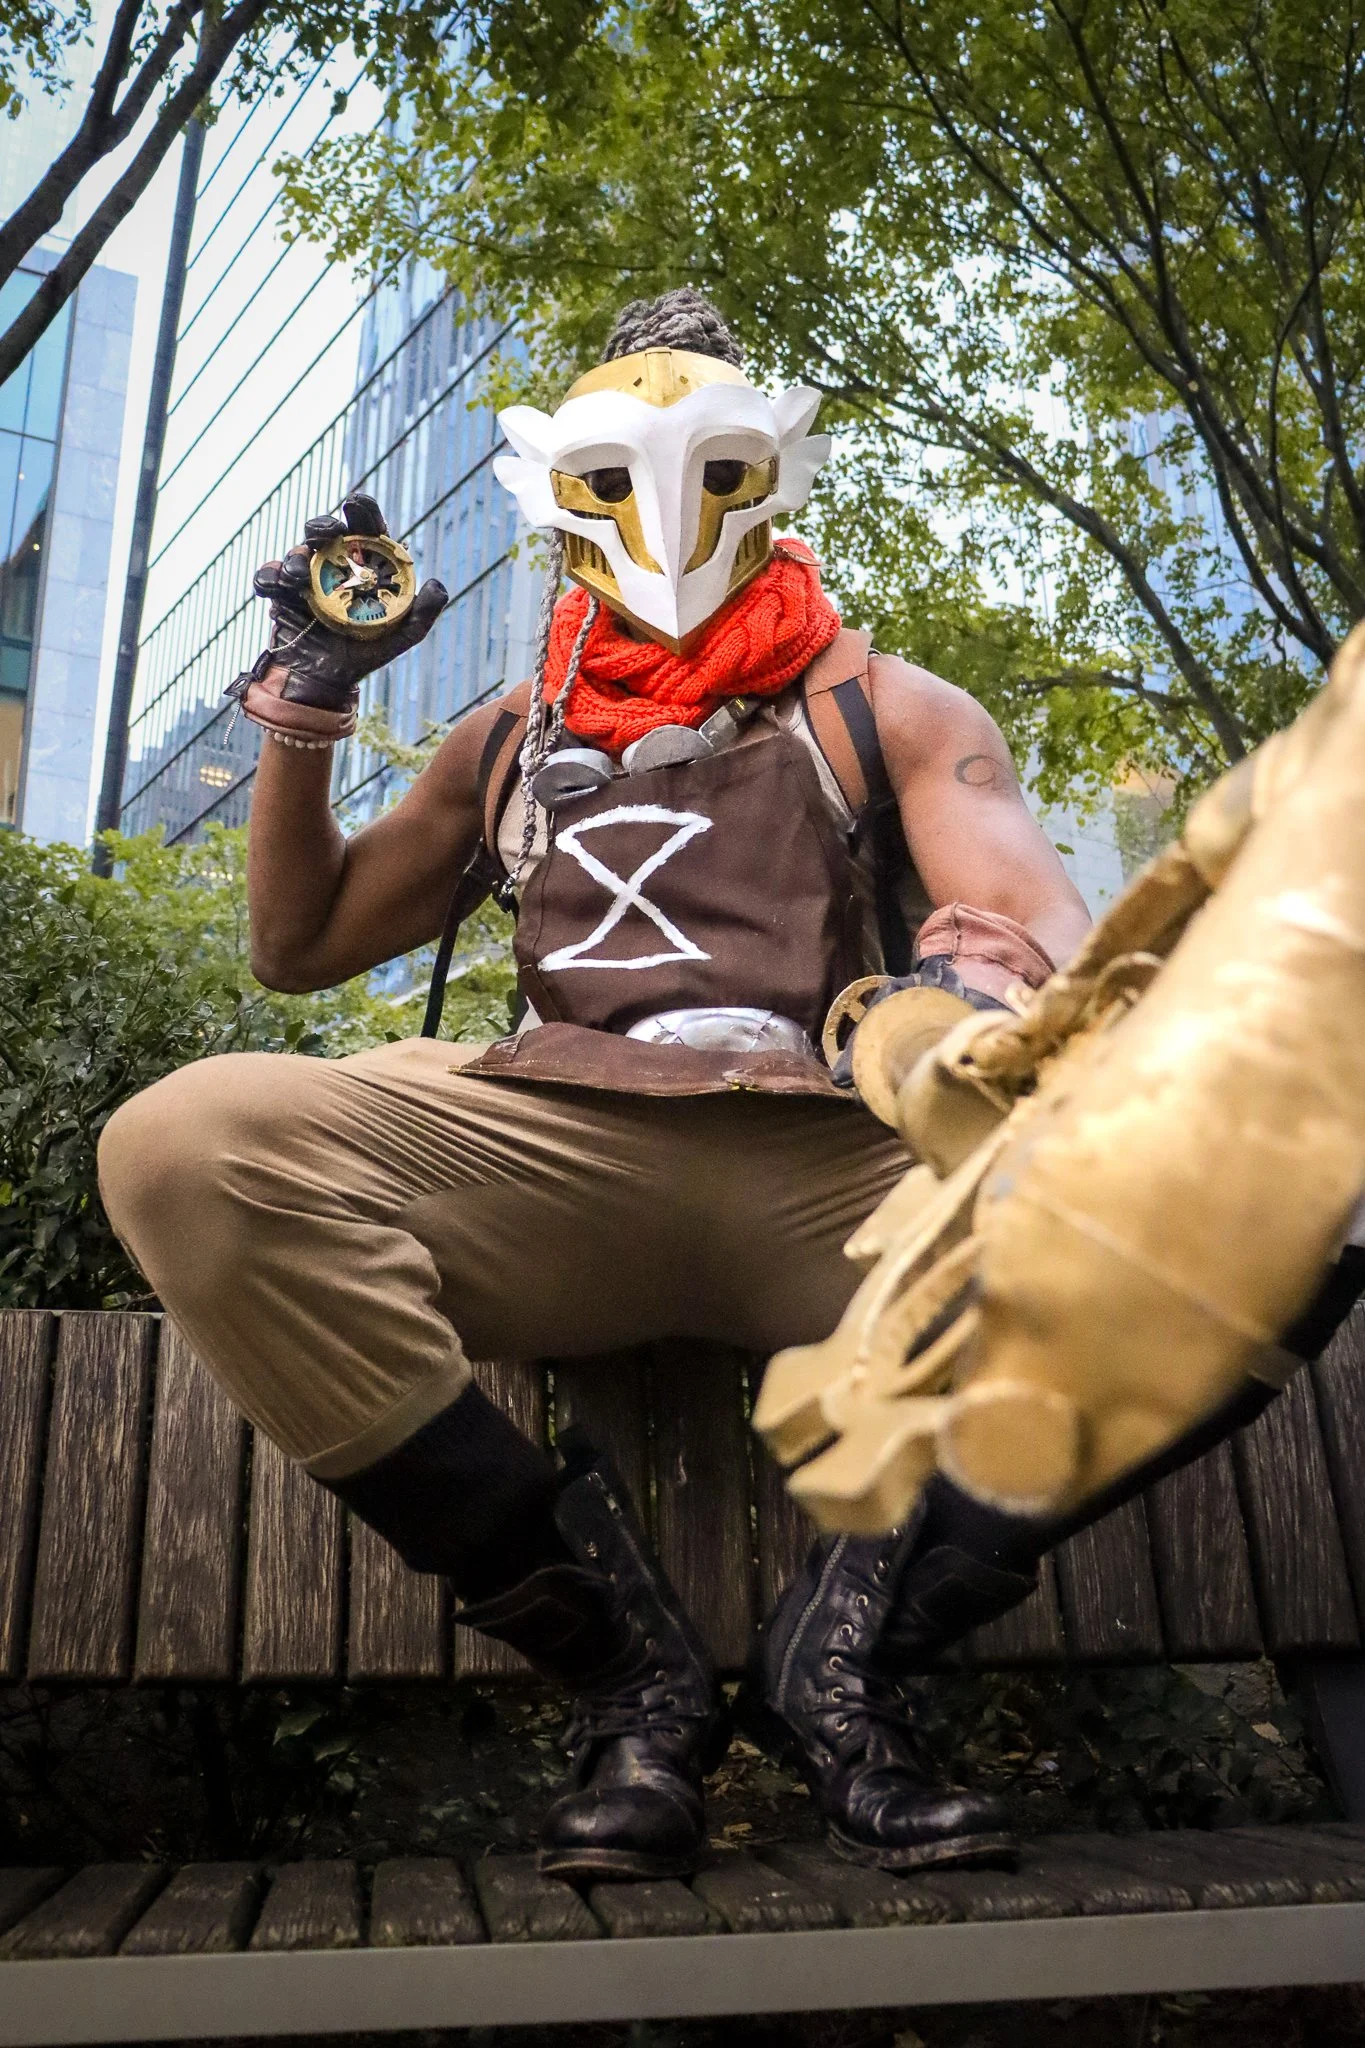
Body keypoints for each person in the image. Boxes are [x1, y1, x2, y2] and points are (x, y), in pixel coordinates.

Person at [101, 286, 1125, 1883]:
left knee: (1277, 1180)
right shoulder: (508, 739)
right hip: (555, 1164)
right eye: (617, 469)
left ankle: (849, 1665)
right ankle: (626, 1678)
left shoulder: (890, 707)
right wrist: (306, 693)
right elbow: (298, 946)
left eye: (711, 461)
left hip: (838, 1176)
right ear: (556, 486)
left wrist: (958, 994)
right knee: (182, 1144)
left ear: (769, 466)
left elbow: (1039, 933)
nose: (666, 508)